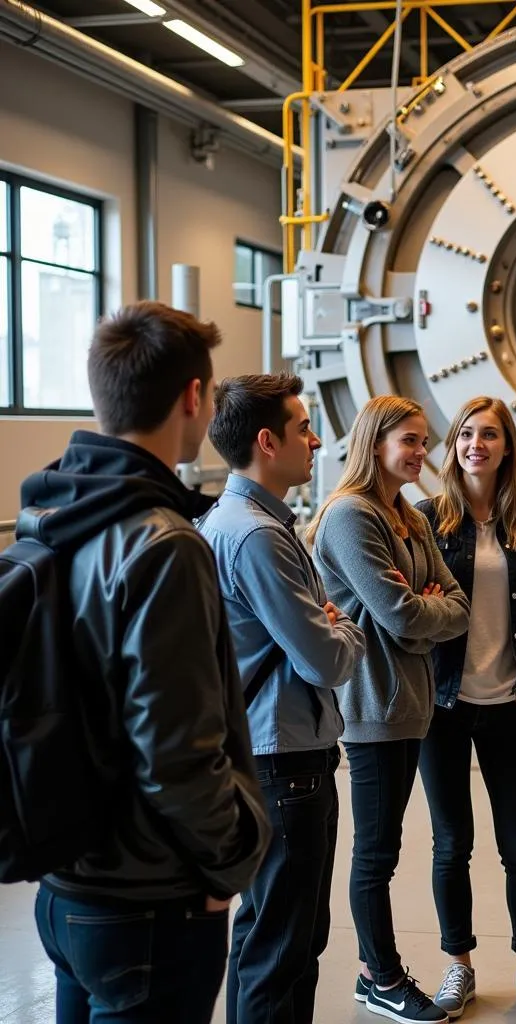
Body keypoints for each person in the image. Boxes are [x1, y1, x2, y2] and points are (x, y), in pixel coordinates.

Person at [23, 301, 271, 1023]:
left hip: (68, 886)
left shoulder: (52, 514)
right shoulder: (163, 543)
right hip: (153, 900)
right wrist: (229, 862)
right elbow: (178, 748)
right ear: (195, 397)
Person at [199, 373, 365, 1024]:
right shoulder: (257, 536)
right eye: (303, 428)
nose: (317, 439)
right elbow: (326, 657)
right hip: (284, 765)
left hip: (277, 756)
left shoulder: (245, 521)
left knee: (274, 940)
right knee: (281, 946)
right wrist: (343, 624)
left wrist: (326, 624)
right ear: (268, 442)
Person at [308, 395, 471, 1024]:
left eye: (423, 441)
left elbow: (452, 604)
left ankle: (374, 972)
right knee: (375, 854)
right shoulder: (352, 516)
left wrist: (420, 612)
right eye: (409, 440)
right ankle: (381, 977)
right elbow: (402, 615)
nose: (420, 453)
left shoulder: (408, 516)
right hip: (373, 704)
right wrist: (418, 610)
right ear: (375, 443)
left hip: (410, 703)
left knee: (388, 847)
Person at [416, 396, 516, 1019]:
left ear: (508, 447)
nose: (477, 444)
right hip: (444, 709)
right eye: (467, 434)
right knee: (451, 845)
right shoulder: (424, 520)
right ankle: (459, 967)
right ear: (454, 445)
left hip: (508, 704)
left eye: (491, 435)